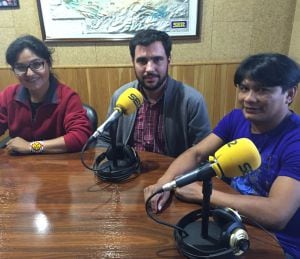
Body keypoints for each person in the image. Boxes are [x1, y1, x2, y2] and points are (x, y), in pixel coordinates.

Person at [144, 53, 300, 258]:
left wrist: (203, 194)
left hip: (277, 243)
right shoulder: (236, 118)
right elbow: (197, 152)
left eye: (262, 90)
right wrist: (163, 183)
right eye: (244, 88)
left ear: (289, 94)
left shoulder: (295, 141)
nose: (249, 98)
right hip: (228, 221)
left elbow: (276, 214)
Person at [97, 29, 211, 157]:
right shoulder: (120, 96)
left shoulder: (192, 101)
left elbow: (203, 151)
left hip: (174, 175)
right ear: (133, 62)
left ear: (169, 60)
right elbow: (104, 140)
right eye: (142, 61)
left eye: (157, 60)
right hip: (128, 173)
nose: (149, 68)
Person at [0, 35, 92, 154]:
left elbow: (80, 137)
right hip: (20, 168)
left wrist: (31, 146)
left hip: (60, 167)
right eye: (20, 67)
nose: (29, 73)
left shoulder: (68, 97)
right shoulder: (9, 95)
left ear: (48, 64)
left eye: (36, 64)